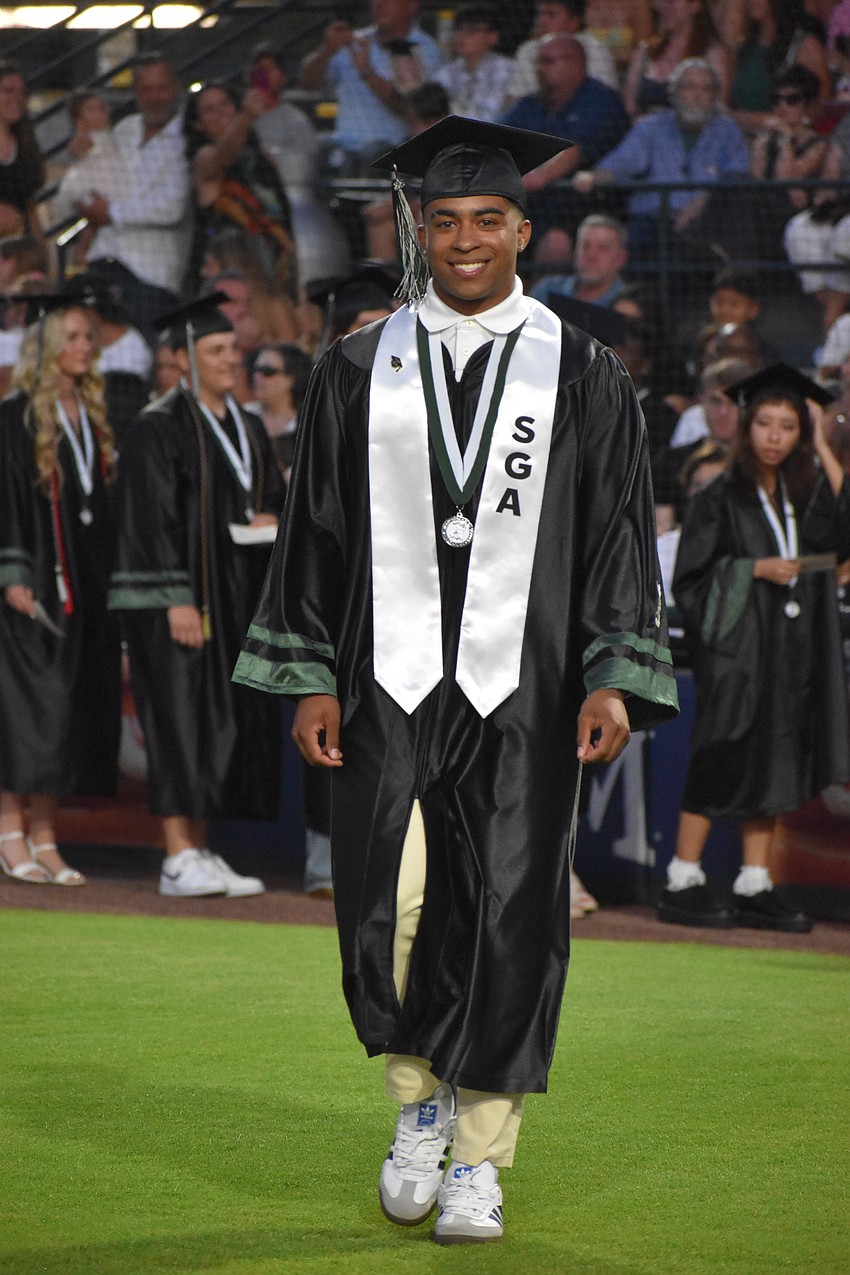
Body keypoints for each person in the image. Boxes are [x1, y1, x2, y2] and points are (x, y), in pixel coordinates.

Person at [233, 116, 678, 1244]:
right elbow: (315, 540)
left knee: (511, 915)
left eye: (489, 219)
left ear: (525, 229)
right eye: (446, 221)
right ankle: (417, 1103)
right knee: (388, 910)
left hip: (524, 690)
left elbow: (619, 537)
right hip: (386, 686)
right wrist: (309, 679)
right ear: (417, 230)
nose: (467, 239)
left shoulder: (584, 373)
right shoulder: (353, 369)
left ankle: (479, 1158)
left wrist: (612, 677)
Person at [659, 364, 850, 932]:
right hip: (737, 652)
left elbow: (843, 533)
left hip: (790, 654)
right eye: (764, 423)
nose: (774, 436)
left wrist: (823, 443)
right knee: (721, 756)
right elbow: (690, 580)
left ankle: (755, 880)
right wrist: (752, 569)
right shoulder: (721, 495)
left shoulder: (803, 490)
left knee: (777, 761)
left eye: (789, 427)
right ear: (746, 427)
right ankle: (683, 876)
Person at [109, 295, 286, 899]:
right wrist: (175, 598)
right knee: (180, 723)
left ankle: (202, 849)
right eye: (215, 351)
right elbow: (145, 522)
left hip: (235, 601)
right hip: (183, 607)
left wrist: (270, 516)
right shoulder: (157, 428)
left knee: (217, 727)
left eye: (233, 349)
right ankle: (176, 854)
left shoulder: (249, 425)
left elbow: (269, 496)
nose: (230, 360)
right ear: (182, 360)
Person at [0, 294, 121, 886]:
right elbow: (7, 501)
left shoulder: (91, 416)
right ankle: (9, 833)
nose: (84, 347)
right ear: (47, 346)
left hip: (83, 585)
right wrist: (14, 572)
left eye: (88, 338)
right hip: (35, 585)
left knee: (66, 714)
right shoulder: (17, 415)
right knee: (30, 712)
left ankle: (46, 837)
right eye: (72, 337)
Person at [573, 58, 749, 261]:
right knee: (632, 244)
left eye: (706, 89)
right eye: (689, 88)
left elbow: (737, 175)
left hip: (710, 220)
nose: (697, 96)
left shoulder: (728, 131)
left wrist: (703, 201)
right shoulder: (651, 127)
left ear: (715, 96)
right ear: (674, 94)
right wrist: (594, 177)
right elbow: (624, 161)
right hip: (653, 219)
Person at [79, 52, 192, 338]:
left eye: (161, 87)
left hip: (151, 276)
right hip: (102, 261)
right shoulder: (125, 129)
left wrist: (112, 212)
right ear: (135, 92)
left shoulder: (187, 137)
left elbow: (171, 206)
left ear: (176, 86)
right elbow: (97, 186)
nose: (155, 97)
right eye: (146, 89)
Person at [500, 34, 630, 237]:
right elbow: (496, 135)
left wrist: (540, 177)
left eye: (549, 62)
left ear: (575, 64)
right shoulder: (532, 104)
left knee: (555, 239)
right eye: (539, 62)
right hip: (531, 202)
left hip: (583, 203)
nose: (540, 70)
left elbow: (575, 150)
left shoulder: (601, 100)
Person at [297, 0, 443, 175]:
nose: (380, 5)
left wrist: (367, 72)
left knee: (372, 156)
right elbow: (307, 85)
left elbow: (414, 110)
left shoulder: (426, 49)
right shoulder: (354, 41)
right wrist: (326, 50)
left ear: (412, 6)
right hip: (343, 146)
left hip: (390, 150)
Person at [184, 81, 296, 296]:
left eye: (225, 104)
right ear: (198, 124)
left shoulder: (261, 159)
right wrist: (247, 116)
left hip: (274, 267)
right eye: (209, 109)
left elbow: (285, 219)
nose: (220, 113)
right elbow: (222, 158)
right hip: (228, 274)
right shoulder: (204, 157)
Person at [622, 0, 730, 117]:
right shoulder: (646, 51)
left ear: (694, 6)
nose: (664, 8)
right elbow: (629, 98)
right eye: (661, 2)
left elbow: (718, 105)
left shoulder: (712, 54)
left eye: (671, 2)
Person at [509, 0, 619, 98]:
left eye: (551, 15)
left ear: (573, 22)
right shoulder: (528, 50)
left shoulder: (594, 47)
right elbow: (517, 97)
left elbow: (606, 95)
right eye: (540, 14)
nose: (542, 21)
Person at [434, 5, 515, 123]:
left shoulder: (506, 69)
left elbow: (490, 116)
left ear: (493, 36)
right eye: (459, 29)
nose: (462, 36)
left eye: (472, 30)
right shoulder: (445, 72)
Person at [531, 213, 628, 309]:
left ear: (620, 258)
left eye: (603, 248)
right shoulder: (547, 290)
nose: (591, 255)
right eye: (585, 246)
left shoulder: (628, 305)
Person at [248, 341, 314, 480]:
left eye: (267, 372)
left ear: (291, 378)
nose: (257, 377)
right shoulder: (245, 415)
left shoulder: (309, 423)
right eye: (255, 370)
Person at [0, 62, 45, 240]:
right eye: (8, 91)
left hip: (19, 252)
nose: (17, 98)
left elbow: (30, 207)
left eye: (22, 93)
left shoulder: (26, 147)